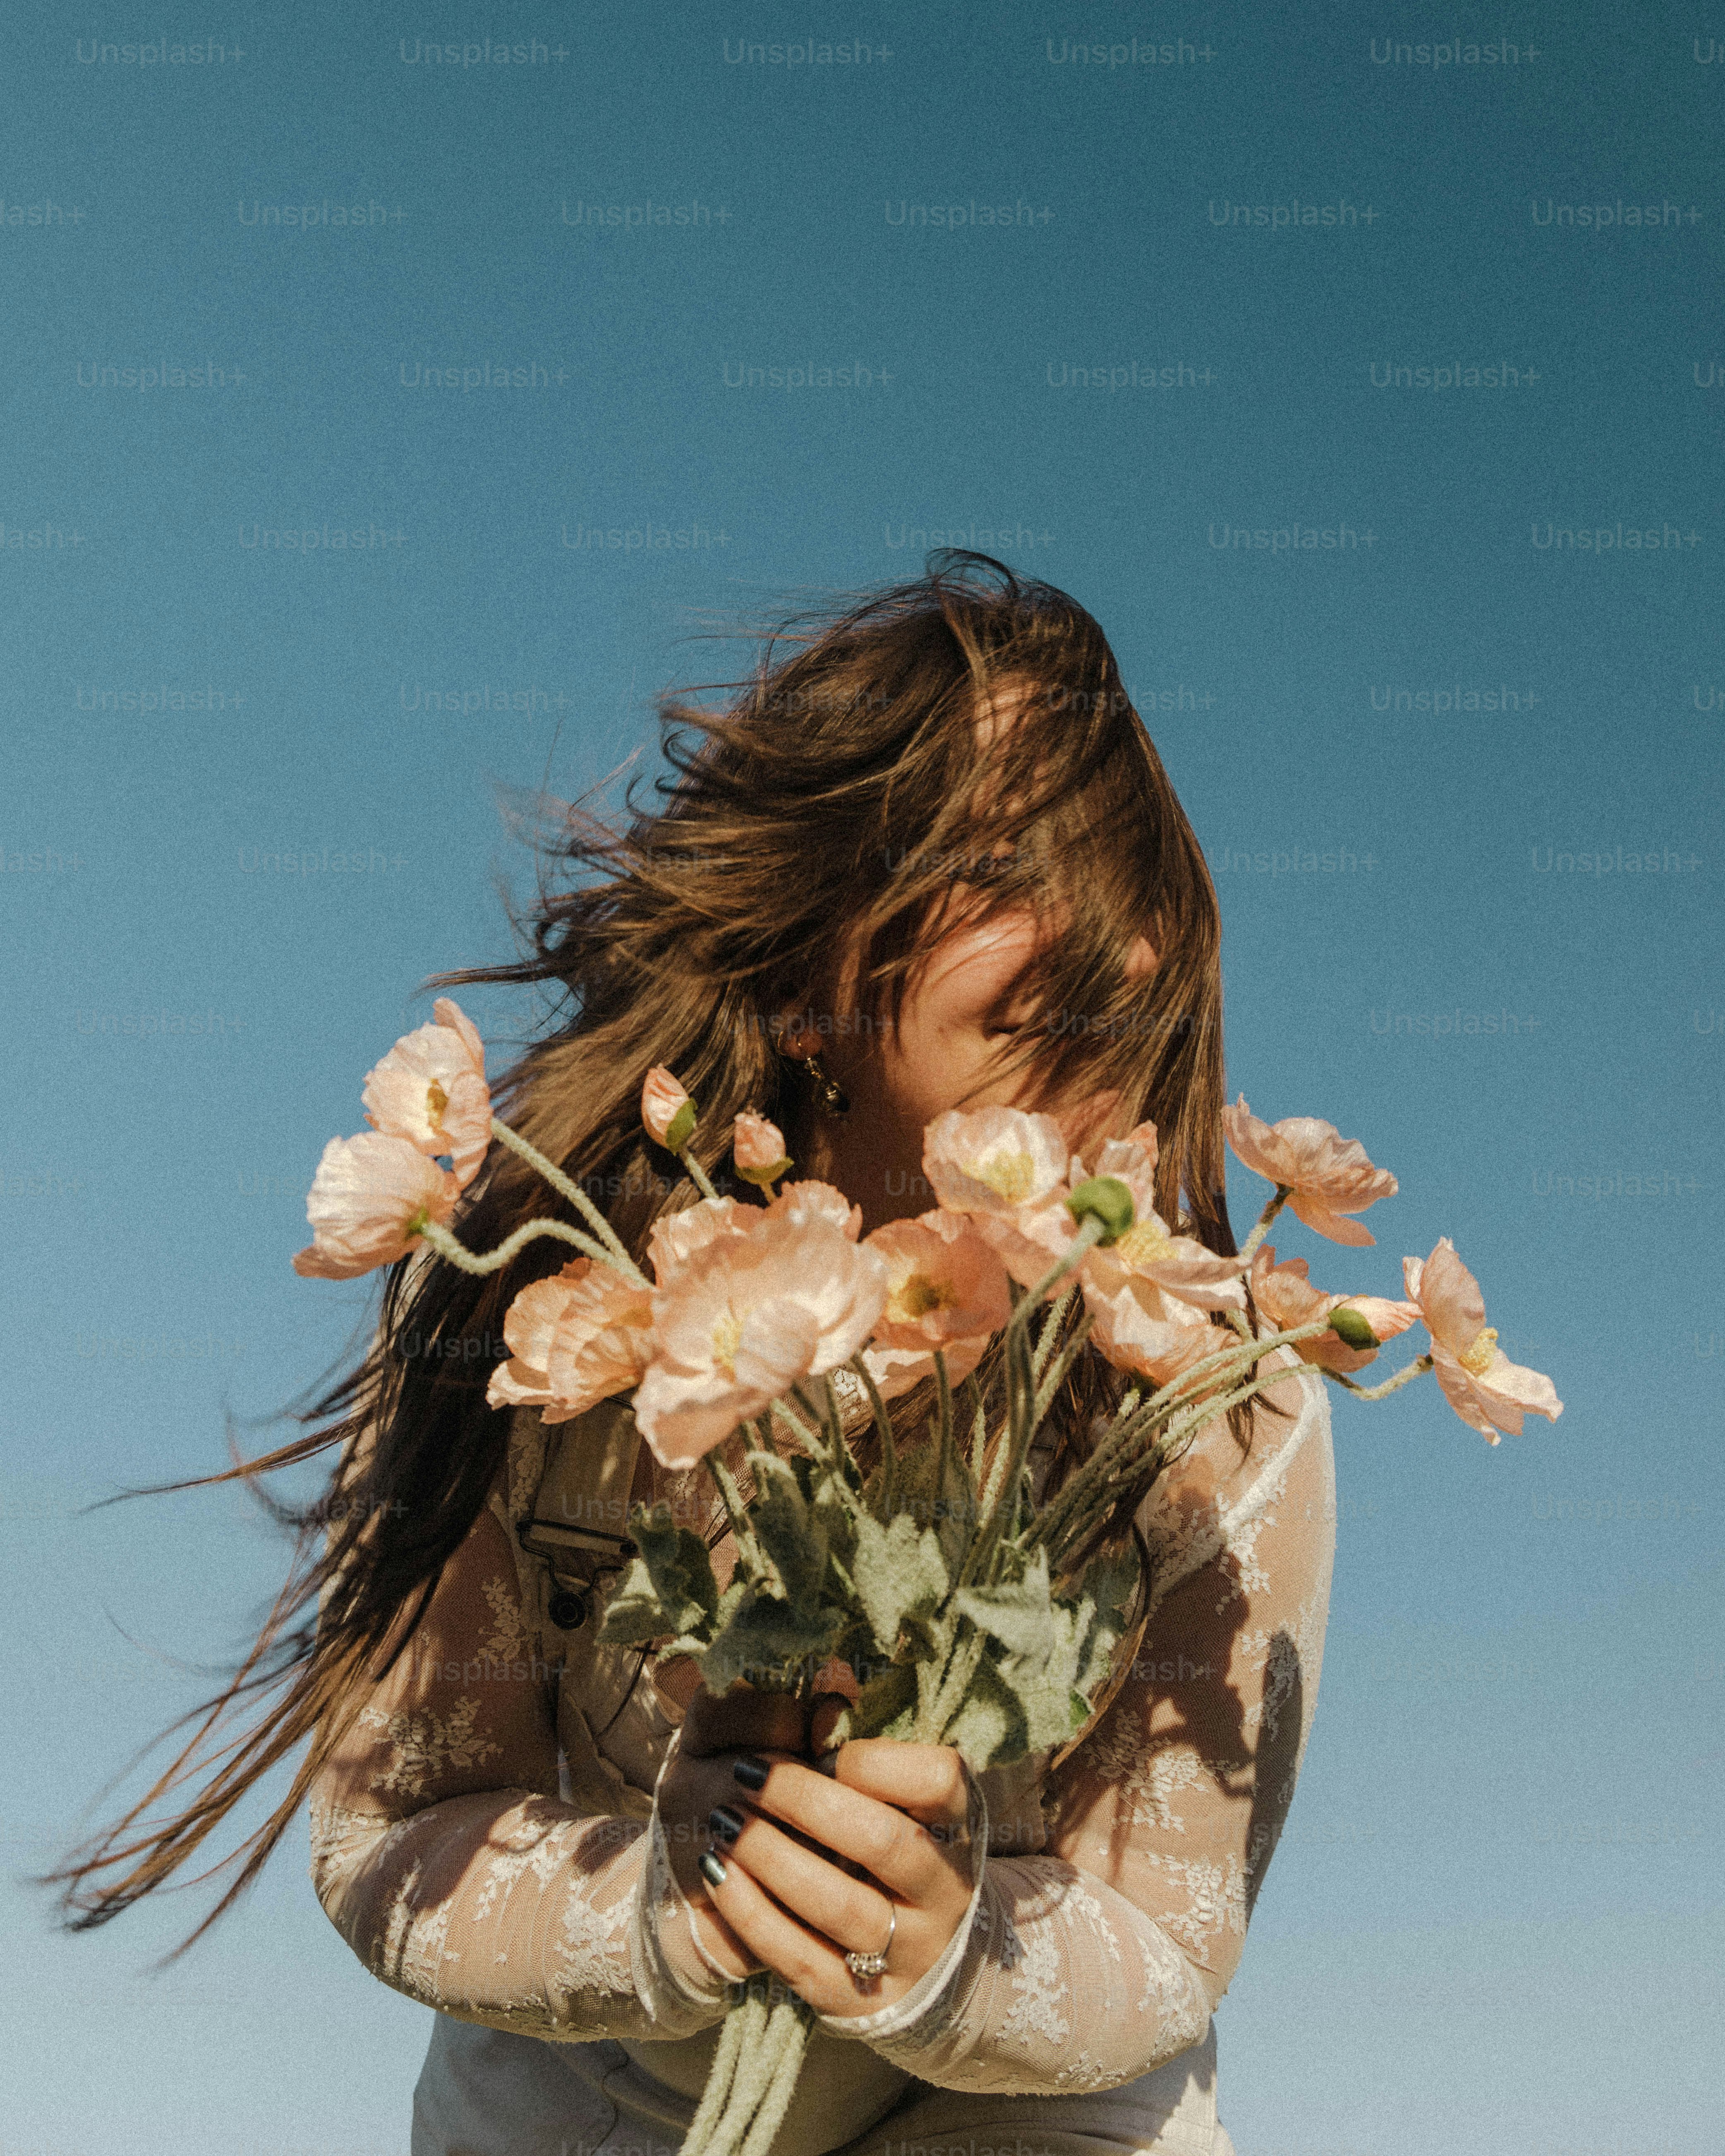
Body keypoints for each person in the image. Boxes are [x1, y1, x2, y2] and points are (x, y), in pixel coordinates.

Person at [53, 553, 1334, 2156]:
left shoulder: (1222, 1383)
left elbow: (1162, 1941)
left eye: (1136, 891)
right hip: (593, 2093)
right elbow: (391, 1831)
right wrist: (675, 1899)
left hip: (1028, 2112)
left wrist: (933, 1950)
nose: (1120, 954)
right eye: (1010, 865)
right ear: (808, 962)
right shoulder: (538, 1310)